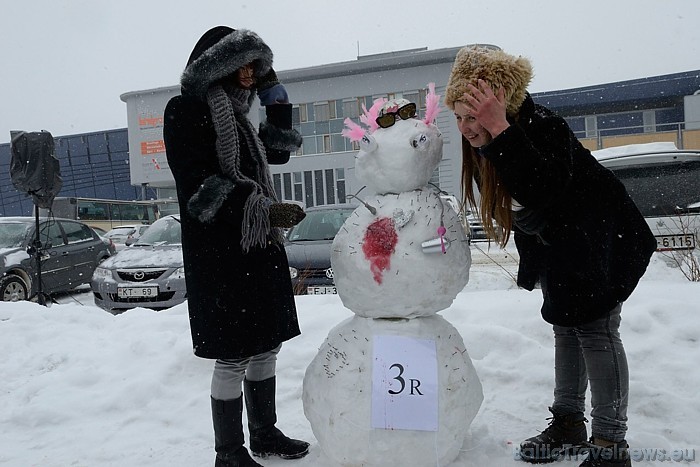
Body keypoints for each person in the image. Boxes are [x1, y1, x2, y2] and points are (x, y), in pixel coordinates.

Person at [444, 46, 657, 467]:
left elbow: (540, 187)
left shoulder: (542, 127)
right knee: (566, 325)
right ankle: (569, 423)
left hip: (601, 239)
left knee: (595, 329)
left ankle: (612, 444)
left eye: (474, 115)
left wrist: (500, 128)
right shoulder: (494, 141)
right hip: (564, 245)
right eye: (460, 117)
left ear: (501, 101)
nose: (467, 127)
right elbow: (525, 209)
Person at [163, 26, 310, 467]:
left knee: (267, 345)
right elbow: (199, 185)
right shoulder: (185, 110)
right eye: (241, 64)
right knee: (233, 355)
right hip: (220, 255)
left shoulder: (240, 118)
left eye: (255, 65)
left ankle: (264, 434)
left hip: (257, 249)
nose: (249, 73)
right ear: (217, 65)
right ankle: (228, 453)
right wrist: (261, 211)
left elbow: (278, 152)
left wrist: (275, 97)